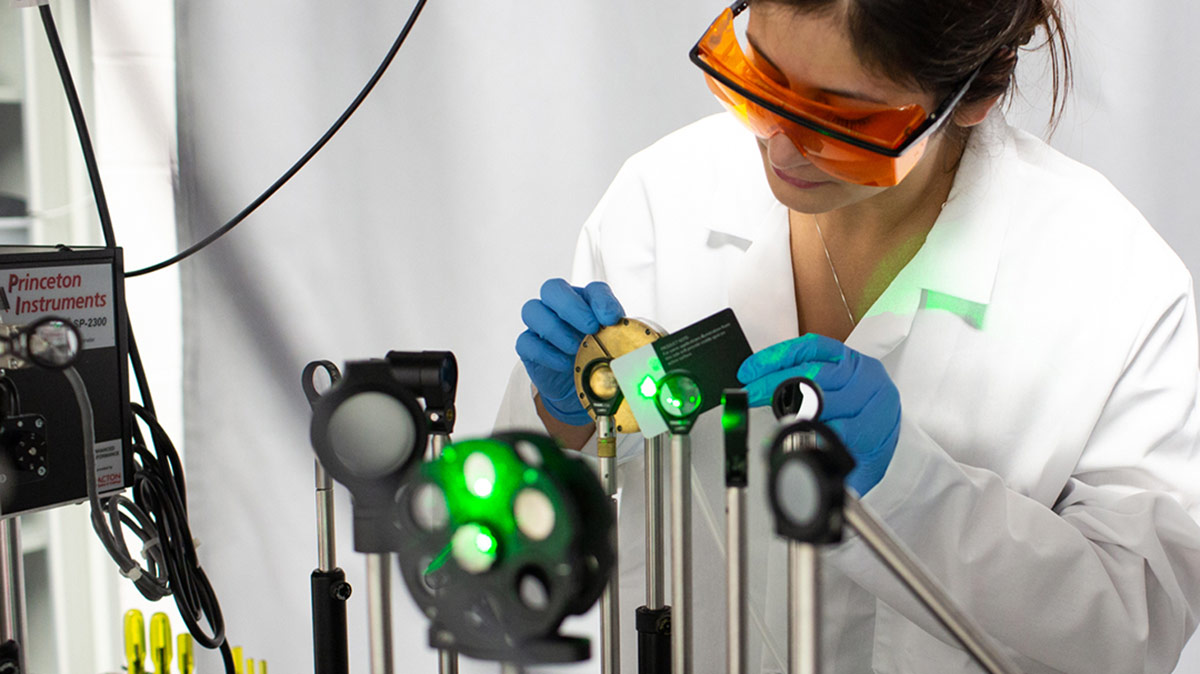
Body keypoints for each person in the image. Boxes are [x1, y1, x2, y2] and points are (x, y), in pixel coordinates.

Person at [495, 0, 1200, 672]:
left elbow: (1132, 633)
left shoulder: (1113, 282)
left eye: (838, 118)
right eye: (761, 79)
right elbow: (511, 550)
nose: (778, 142)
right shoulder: (664, 200)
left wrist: (912, 489)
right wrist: (564, 423)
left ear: (974, 93)